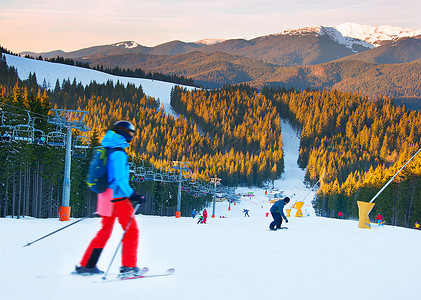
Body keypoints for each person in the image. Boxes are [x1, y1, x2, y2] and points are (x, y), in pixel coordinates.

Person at [75, 120, 146, 277]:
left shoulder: (107, 147)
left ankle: (87, 265)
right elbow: (120, 179)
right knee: (131, 230)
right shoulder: (119, 152)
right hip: (118, 198)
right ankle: (128, 267)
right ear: (126, 134)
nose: (132, 137)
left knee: (104, 232)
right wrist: (133, 195)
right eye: (131, 133)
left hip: (105, 197)